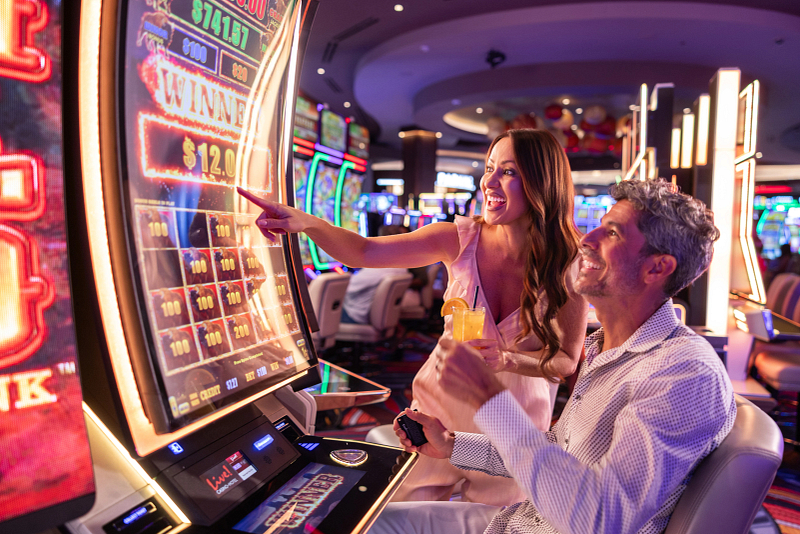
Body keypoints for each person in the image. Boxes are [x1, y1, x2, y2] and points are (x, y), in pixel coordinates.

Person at [239, 129, 588, 506]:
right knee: (394, 518)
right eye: (489, 168)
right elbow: (363, 252)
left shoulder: (572, 261)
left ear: (543, 183)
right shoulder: (459, 238)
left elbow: (567, 360)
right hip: (437, 418)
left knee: (494, 530)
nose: (489, 181)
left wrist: (509, 359)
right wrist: (309, 223)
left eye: (509, 172)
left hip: (512, 431)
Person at [372, 178, 736, 534]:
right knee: (365, 521)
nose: (586, 240)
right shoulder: (606, 349)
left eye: (611, 233)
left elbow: (602, 519)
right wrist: (452, 444)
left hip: (543, 525)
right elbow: (562, 451)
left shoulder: (683, 374)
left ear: (657, 268)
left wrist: (490, 400)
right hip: (520, 520)